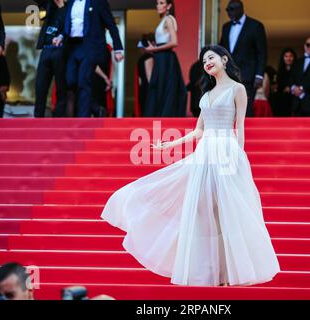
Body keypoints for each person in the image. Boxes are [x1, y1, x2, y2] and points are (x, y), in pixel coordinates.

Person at [101, 45, 280, 286]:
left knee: (226, 211)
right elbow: (198, 131)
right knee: (204, 211)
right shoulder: (205, 96)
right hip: (204, 152)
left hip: (226, 152)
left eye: (211, 57)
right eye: (204, 60)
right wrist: (169, 146)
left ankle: (229, 273)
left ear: (224, 60)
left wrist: (239, 157)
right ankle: (212, 272)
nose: (207, 62)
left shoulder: (238, 90)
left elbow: (240, 127)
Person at [55, 0, 124, 117]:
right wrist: (61, 36)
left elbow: (111, 24)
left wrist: (118, 48)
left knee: (83, 82)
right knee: (70, 81)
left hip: (89, 46)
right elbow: (67, 23)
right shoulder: (71, 3)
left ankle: (83, 121)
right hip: (72, 46)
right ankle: (96, 108)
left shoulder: (98, 3)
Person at [220, 0, 267, 117]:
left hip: (248, 75)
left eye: (232, 9)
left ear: (240, 9)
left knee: (245, 107)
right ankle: (231, 133)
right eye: (227, 10)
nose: (229, 13)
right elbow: (221, 51)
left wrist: (259, 75)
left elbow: (262, 52)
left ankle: (247, 133)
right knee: (229, 107)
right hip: (228, 75)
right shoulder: (226, 27)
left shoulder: (256, 26)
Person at [143, 0, 187, 117]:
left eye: (162, 3)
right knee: (161, 88)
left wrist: (155, 49)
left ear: (169, 6)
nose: (158, 6)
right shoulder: (165, 20)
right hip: (162, 58)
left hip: (165, 58)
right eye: (157, 3)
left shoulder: (168, 19)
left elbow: (174, 42)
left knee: (163, 88)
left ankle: (162, 119)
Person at [34, 0, 67, 118]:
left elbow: (68, 26)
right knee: (40, 86)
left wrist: (62, 6)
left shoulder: (69, 7)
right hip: (46, 49)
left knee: (61, 88)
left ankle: (58, 120)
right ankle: (38, 119)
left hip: (61, 50)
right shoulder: (49, 5)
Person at [134, 33, 155, 117]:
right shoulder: (149, 57)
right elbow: (150, 79)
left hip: (143, 90)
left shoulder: (143, 58)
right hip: (148, 92)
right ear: (152, 43)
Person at [274, 48, 296, 117]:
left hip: (294, 98)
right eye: (286, 56)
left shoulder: (298, 70)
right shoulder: (280, 71)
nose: (288, 58)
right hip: (281, 98)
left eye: (291, 56)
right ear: (283, 58)